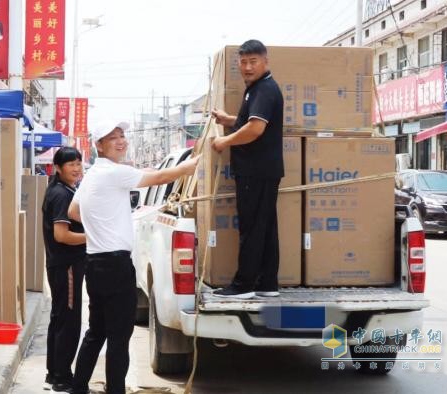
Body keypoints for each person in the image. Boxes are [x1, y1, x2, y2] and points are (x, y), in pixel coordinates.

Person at [67, 121, 199, 394]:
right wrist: (196, 162)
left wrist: (101, 227)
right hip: (115, 266)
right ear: (99, 146)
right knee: (118, 337)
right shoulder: (115, 173)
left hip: (95, 264)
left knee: (96, 332)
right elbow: (162, 178)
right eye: (113, 137)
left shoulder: (93, 174)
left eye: (122, 136)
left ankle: (78, 388)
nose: (121, 141)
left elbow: (73, 211)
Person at [210, 39, 284, 299]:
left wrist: (223, 141)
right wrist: (229, 120)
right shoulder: (256, 89)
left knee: (252, 228)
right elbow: (248, 121)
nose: (248, 67)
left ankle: (244, 286)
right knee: (264, 227)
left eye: (253, 61)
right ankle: (267, 284)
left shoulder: (264, 89)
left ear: (265, 61)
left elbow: (255, 129)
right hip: (262, 170)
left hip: (256, 170)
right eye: (243, 62)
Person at [42, 147, 87, 392]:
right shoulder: (61, 194)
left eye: (79, 163)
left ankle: (54, 373)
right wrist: (92, 237)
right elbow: (61, 235)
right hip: (66, 265)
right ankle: (61, 376)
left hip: (63, 264)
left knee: (60, 318)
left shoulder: (66, 189)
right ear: (57, 168)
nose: (77, 168)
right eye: (71, 164)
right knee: (68, 321)